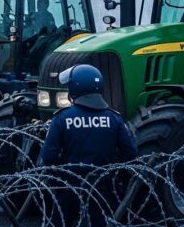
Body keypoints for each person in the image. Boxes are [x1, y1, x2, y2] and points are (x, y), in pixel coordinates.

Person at [39, 64, 138, 227]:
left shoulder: (62, 118)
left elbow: (48, 156)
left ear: (75, 88)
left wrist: (61, 175)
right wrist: (112, 170)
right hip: (104, 185)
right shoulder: (114, 118)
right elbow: (130, 154)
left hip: (69, 184)